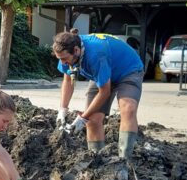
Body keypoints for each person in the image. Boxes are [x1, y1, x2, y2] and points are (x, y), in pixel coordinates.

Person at [53, 30, 144, 159]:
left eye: (64, 59)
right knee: (93, 120)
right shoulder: (65, 52)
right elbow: (68, 80)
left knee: (128, 108)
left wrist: (83, 117)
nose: (62, 63)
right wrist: (62, 110)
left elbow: (105, 92)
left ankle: (125, 161)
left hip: (128, 70)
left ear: (76, 50)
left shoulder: (96, 54)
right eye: (59, 59)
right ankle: (97, 160)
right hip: (102, 73)